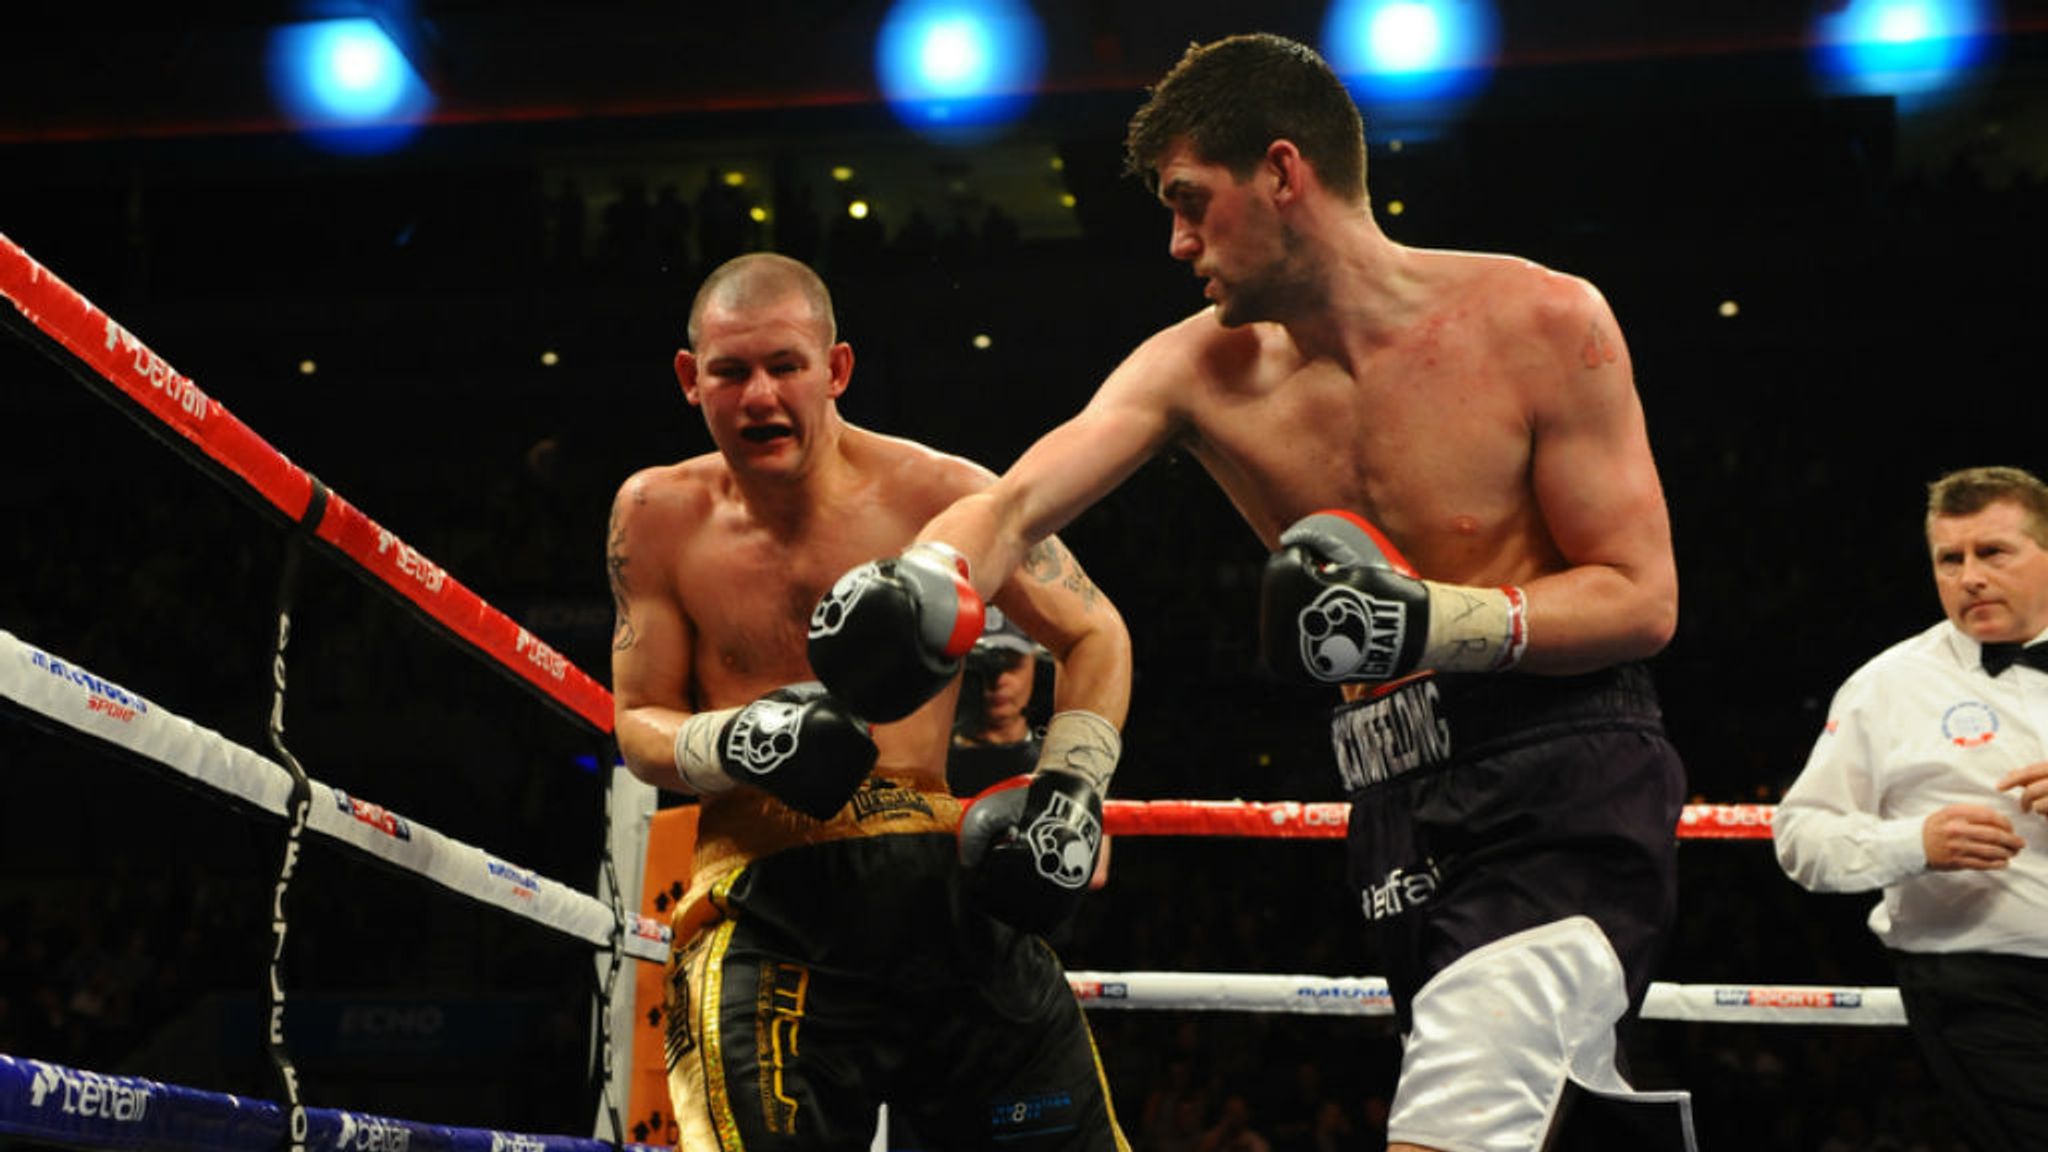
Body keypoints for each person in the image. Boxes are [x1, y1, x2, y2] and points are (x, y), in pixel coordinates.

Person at [807, 32, 1693, 1152]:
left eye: (1190, 202)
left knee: (1461, 1107)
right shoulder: (1196, 369)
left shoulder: (1539, 321)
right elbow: (1019, 503)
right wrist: (924, 577)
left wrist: (1432, 618)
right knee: (1540, 1114)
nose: (1176, 242)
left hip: (1562, 782)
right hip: (1390, 796)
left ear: (1283, 173)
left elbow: (1640, 599)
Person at [608, 252, 1135, 1151]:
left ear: (836, 370)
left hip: (942, 890)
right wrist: (736, 739)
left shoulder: (942, 497)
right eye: (731, 373)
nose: (760, 397)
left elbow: (1096, 636)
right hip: (764, 901)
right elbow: (638, 721)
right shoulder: (657, 514)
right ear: (690, 380)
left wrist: (1071, 796)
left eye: (785, 366)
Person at [1774, 464, 2048, 1152]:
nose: (1970, 576)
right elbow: (1801, 836)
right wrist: (1912, 845)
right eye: (1949, 559)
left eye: (1993, 552)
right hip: (1981, 981)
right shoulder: (1888, 685)